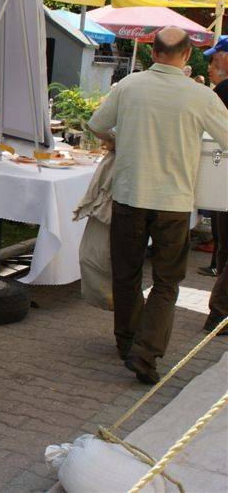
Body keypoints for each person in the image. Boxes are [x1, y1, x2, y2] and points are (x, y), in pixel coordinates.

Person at [86, 27, 228, 384]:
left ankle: (127, 342)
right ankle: (146, 351)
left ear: (153, 52)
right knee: (167, 281)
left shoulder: (129, 86)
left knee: (127, 274)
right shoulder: (200, 95)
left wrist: (118, 140)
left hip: (130, 195)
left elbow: (96, 124)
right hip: (173, 202)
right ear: (187, 55)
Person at [202, 37, 228, 335]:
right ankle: (220, 312)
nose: (213, 64)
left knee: (224, 244)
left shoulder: (223, 90)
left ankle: (219, 312)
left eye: (217, 57)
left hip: (224, 177)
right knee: (224, 244)